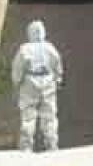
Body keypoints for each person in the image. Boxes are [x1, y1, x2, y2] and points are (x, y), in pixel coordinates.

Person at [11, 20, 63, 152]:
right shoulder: (50, 48)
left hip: (30, 82)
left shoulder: (24, 49)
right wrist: (58, 79)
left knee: (28, 115)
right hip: (47, 81)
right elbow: (57, 64)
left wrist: (16, 82)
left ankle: (26, 146)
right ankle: (52, 144)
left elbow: (18, 68)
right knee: (49, 115)